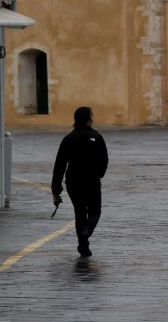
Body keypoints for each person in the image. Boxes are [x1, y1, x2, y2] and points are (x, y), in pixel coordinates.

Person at [52, 106, 109, 258]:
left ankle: (83, 246)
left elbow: (60, 164)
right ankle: (86, 232)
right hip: (92, 180)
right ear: (89, 119)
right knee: (95, 211)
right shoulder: (97, 138)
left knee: (79, 212)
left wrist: (56, 187)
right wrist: (100, 174)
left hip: (73, 181)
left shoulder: (69, 139)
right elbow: (104, 160)